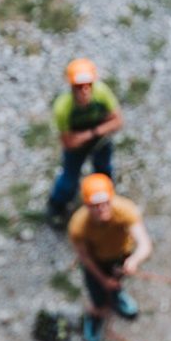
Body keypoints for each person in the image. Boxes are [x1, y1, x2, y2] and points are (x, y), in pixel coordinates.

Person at [68, 173, 153, 341]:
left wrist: (134, 260)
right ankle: (95, 316)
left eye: (105, 203)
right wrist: (102, 279)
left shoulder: (125, 210)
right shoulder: (79, 225)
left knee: (116, 283)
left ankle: (116, 296)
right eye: (95, 206)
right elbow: (84, 257)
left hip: (120, 258)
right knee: (98, 297)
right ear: (86, 205)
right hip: (96, 261)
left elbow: (144, 244)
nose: (102, 209)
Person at [46, 58, 123, 227]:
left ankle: (105, 200)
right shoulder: (63, 107)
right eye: (79, 87)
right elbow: (69, 143)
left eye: (88, 85)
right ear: (72, 87)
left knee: (104, 170)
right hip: (79, 148)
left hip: (100, 142)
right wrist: (100, 129)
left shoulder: (102, 93)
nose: (84, 91)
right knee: (69, 180)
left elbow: (118, 121)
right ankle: (56, 207)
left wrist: (88, 134)